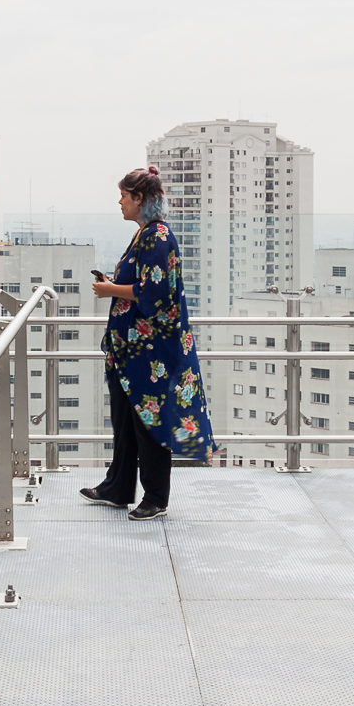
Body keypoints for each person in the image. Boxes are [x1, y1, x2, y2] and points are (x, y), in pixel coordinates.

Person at [82, 165, 213, 519]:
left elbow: (155, 293)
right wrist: (115, 285)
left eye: (124, 196)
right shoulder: (144, 234)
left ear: (139, 199)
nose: (120, 202)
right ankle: (118, 486)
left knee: (149, 422)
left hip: (150, 352)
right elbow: (141, 283)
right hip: (131, 350)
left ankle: (156, 497)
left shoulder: (156, 236)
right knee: (125, 418)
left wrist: (109, 289)